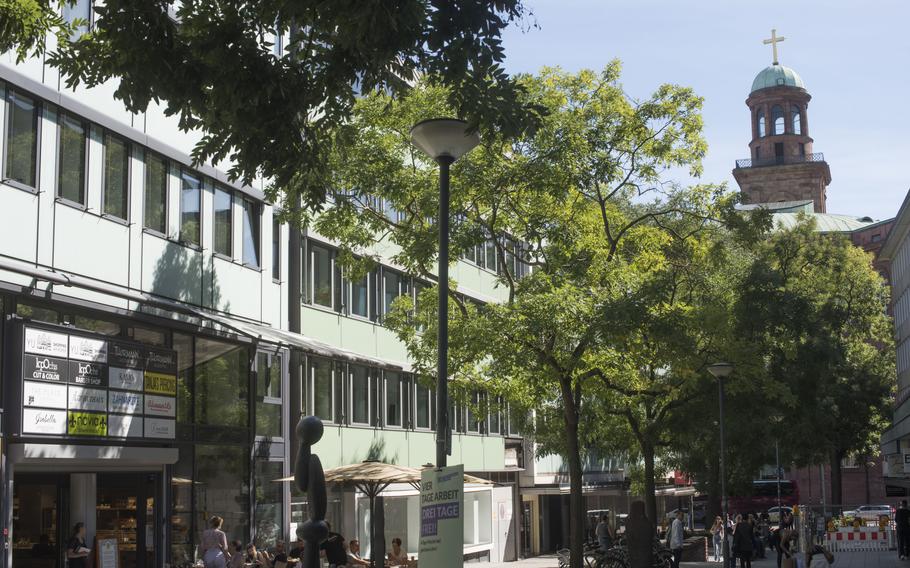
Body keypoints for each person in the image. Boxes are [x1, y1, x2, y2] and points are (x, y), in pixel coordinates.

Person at [626, 500, 654, 568]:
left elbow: (630, 539)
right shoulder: (646, 522)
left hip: (634, 556)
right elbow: (650, 537)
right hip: (646, 556)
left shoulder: (629, 523)